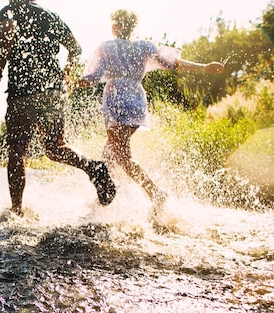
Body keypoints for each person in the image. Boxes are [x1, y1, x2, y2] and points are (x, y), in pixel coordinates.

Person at [71, 9, 225, 207]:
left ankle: (154, 192)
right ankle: (102, 198)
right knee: (110, 151)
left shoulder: (107, 47)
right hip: (136, 100)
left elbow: (92, 78)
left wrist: (69, 83)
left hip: (117, 100)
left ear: (116, 26)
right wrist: (203, 67)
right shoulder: (144, 47)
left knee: (122, 156)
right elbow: (173, 64)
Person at [0, 0, 115, 216]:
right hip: (52, 91)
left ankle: (16, 211)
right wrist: (65, 76)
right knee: (56, 147)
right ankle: (94, 168)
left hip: (22, 92)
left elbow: (5, 44)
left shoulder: (9, 11)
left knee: (17, 151)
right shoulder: (51, 16)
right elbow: (76, 49)